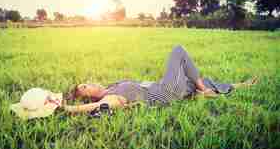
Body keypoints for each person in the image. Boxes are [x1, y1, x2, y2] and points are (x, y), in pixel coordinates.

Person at [63, 45, 257, 114]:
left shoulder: (112, 86)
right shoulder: (110, 98)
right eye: (85, 86)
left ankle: (238, 86)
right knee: (178, 51)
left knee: (197, 78)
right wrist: (69, 108)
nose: (90, 82)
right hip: (166, 92)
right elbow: (99, 108)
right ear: (89, 96)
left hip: (163, 87)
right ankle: (202, 91)